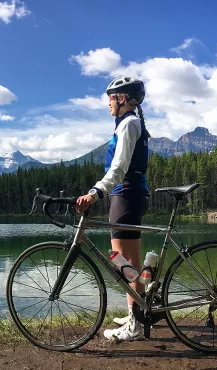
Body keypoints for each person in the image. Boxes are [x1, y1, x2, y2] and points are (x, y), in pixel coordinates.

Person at [76, 77, 150, 342]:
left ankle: (135, 327)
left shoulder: (129, 124)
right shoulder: (129, 124)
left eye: (110, 98)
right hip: (130, 194)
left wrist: (96, 192)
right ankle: (137, 313)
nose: (107, 103)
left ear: (121, 99)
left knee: (125, 265)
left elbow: (118, 168)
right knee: (131, 264)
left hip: (126, 195)